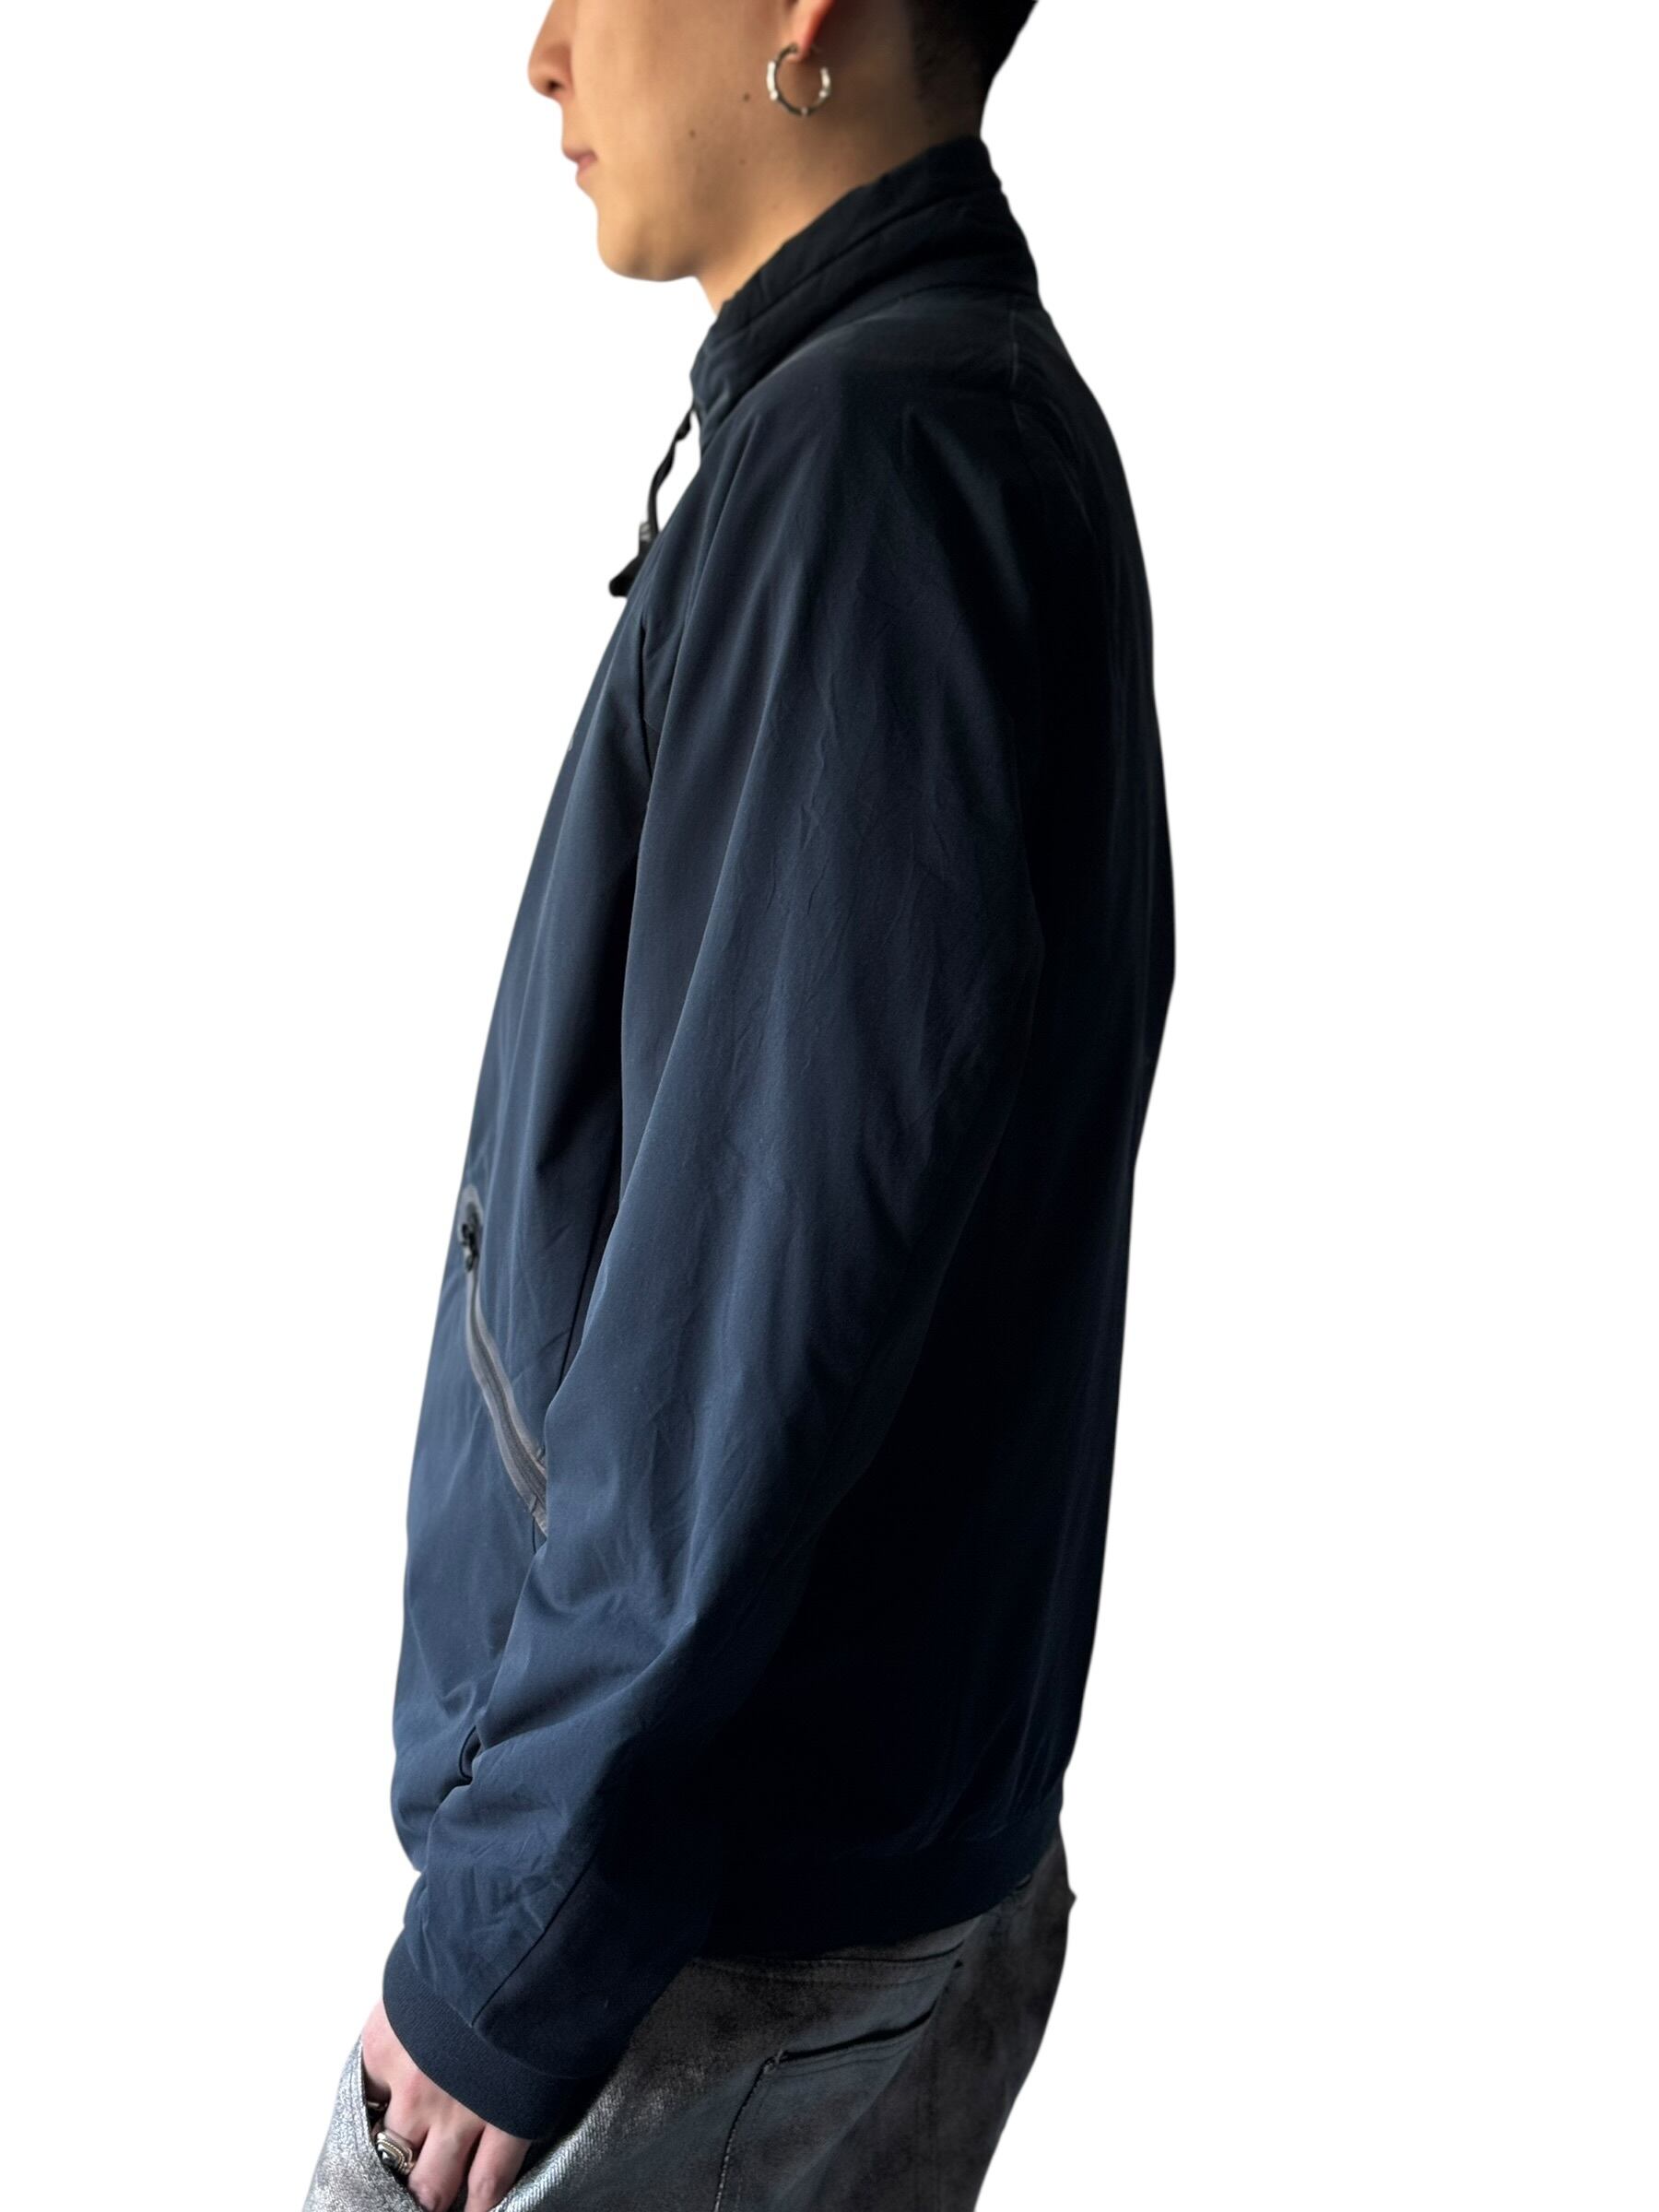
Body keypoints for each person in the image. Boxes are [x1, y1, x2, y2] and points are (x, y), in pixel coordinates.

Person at [302, 0, 1174, 2204]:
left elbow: (749, 1318)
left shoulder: (879, 473)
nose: (541, 53)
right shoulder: (908, 422)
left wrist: (508, 1947)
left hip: (688, 1960)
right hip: (774, 1889)